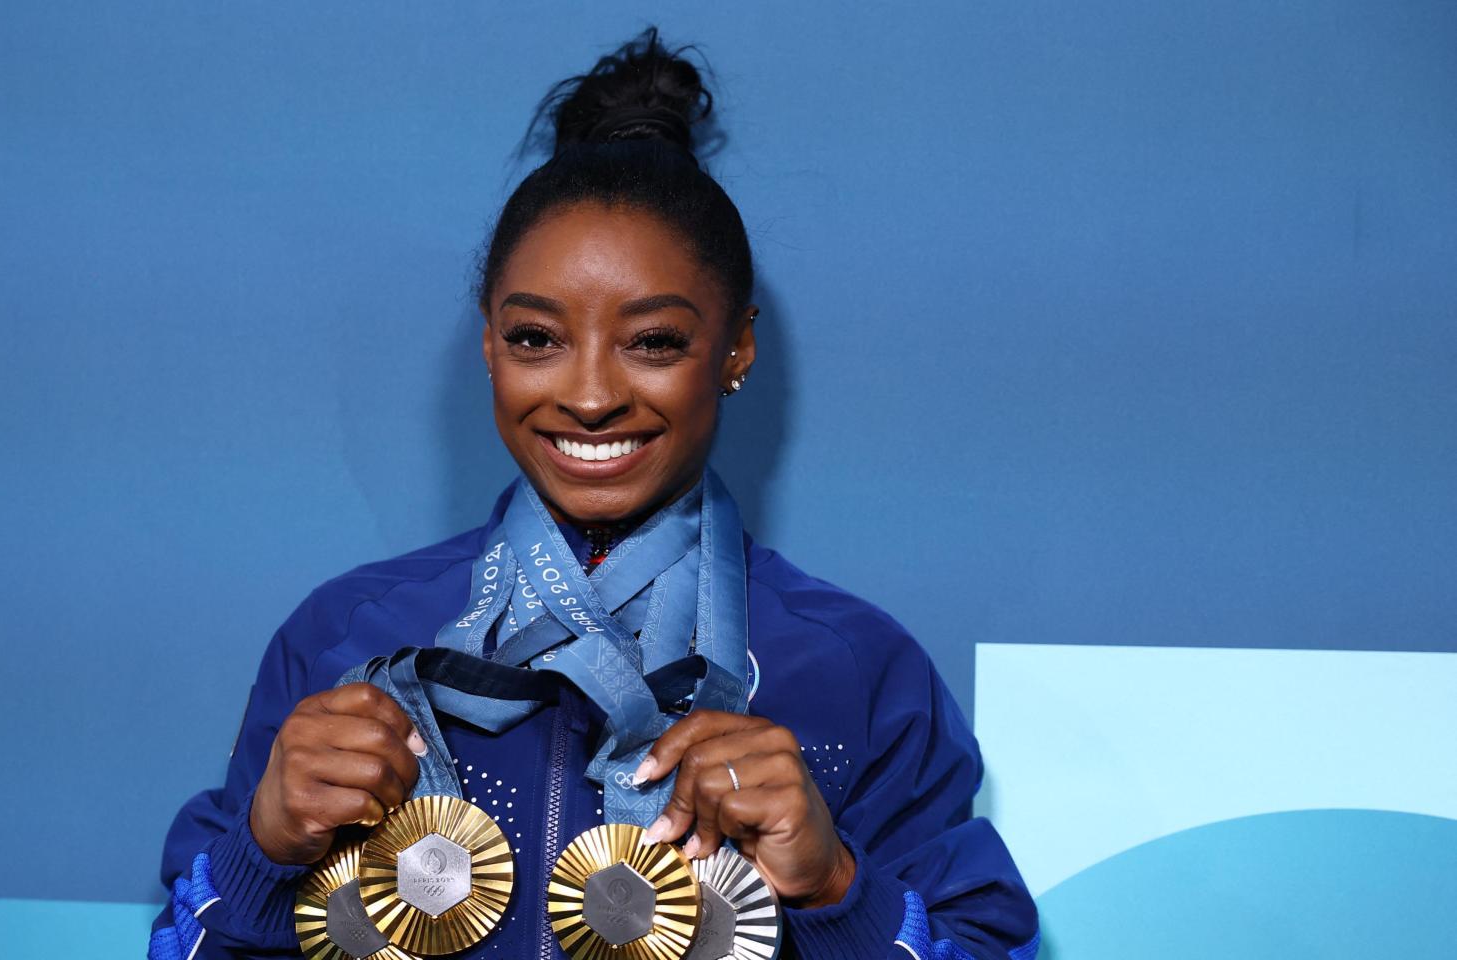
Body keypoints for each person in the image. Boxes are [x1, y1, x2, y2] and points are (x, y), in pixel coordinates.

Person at [150, 29, 1039, 960]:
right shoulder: (347, 639)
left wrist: (836, 888)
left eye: (652, 341)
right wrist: (258, 856)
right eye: (536, 338)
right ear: (488, 345)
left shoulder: (857, 671)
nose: (588, 393)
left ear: (736, 350)